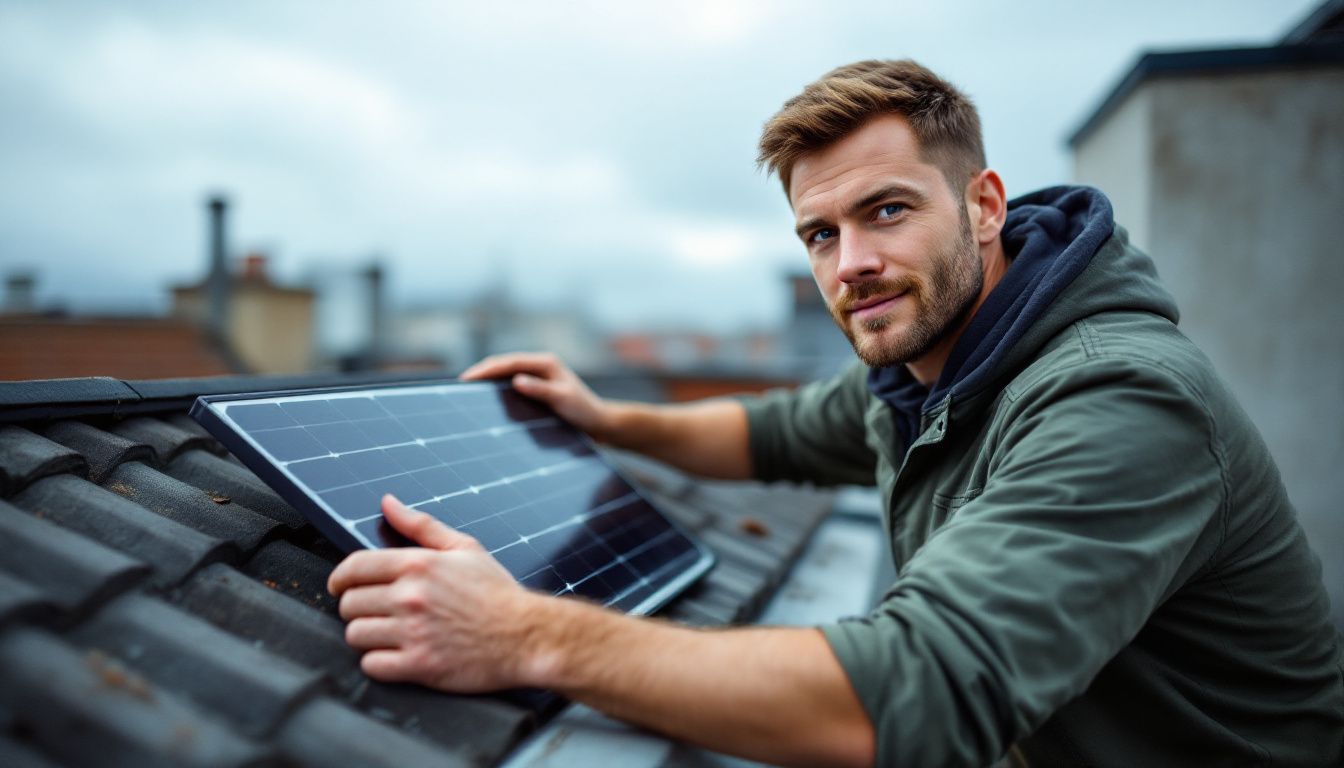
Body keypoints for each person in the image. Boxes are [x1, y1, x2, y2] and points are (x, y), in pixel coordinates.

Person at [327, 60, 1344, 767]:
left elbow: (918, 693)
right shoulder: (932, 371)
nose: (850, 264)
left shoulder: (1118, 400)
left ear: (984, 206)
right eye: (819, 234)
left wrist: (522, 634)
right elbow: (773, 432)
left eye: (887, 211)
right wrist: (608, 418)